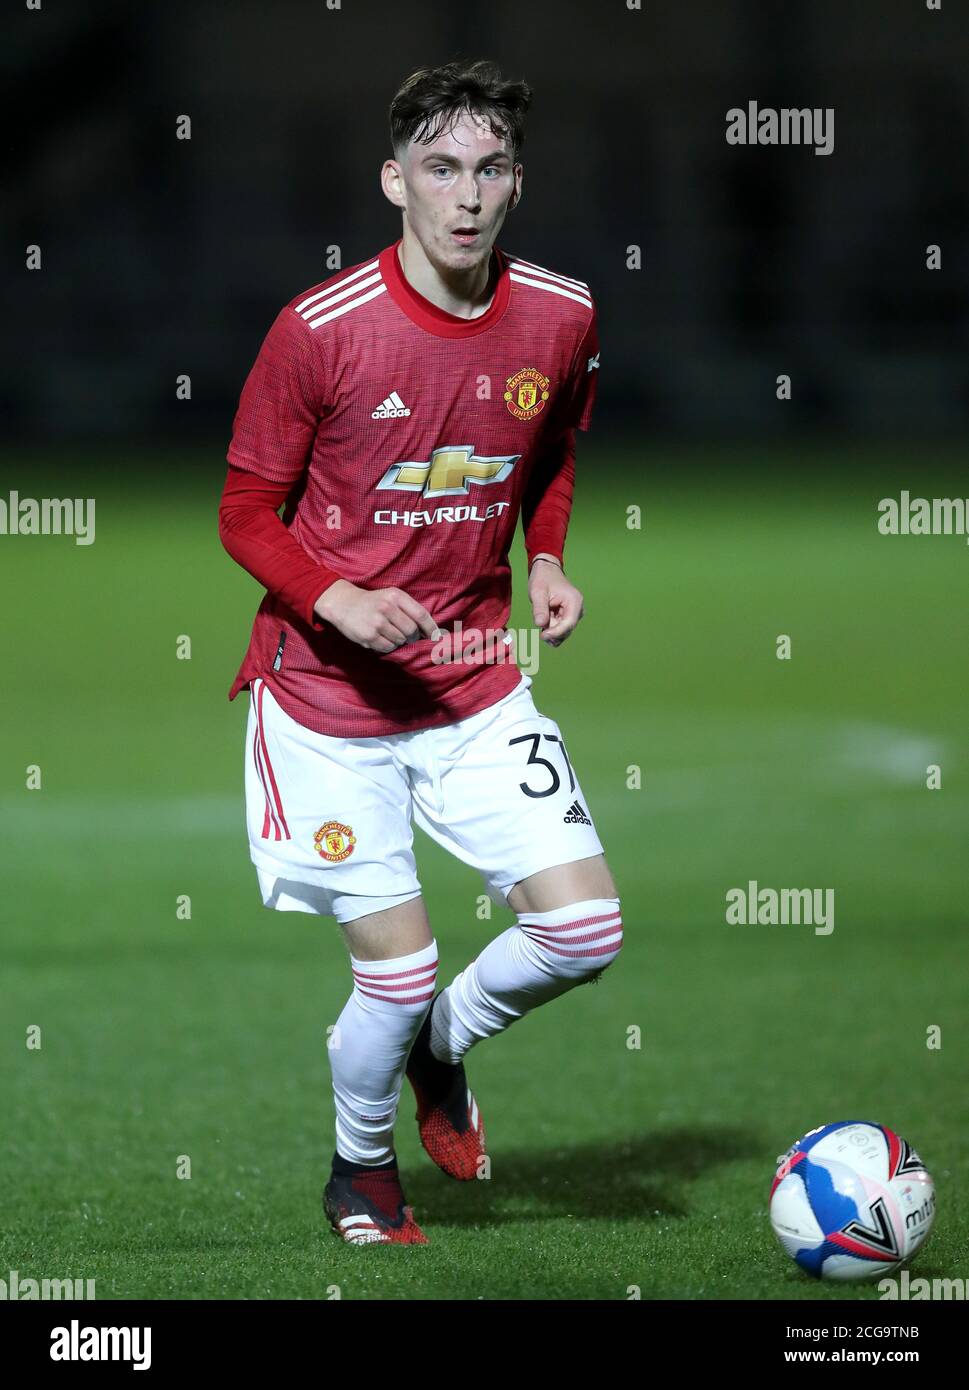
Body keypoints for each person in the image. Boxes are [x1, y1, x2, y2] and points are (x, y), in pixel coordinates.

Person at [219, 57, 622, 1245]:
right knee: (390, 972)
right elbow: (245, 509)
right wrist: (333, 595)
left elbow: (546, 454)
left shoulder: (564, 313)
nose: (466, 194)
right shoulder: (320, 330)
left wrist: (544, 558)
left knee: (584, 932)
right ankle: (360, 1169)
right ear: (394, 180)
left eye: (489, 169)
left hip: (473, 683)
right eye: (440, 168)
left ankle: (442, 1045)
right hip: (327, 705)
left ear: (515, 185)